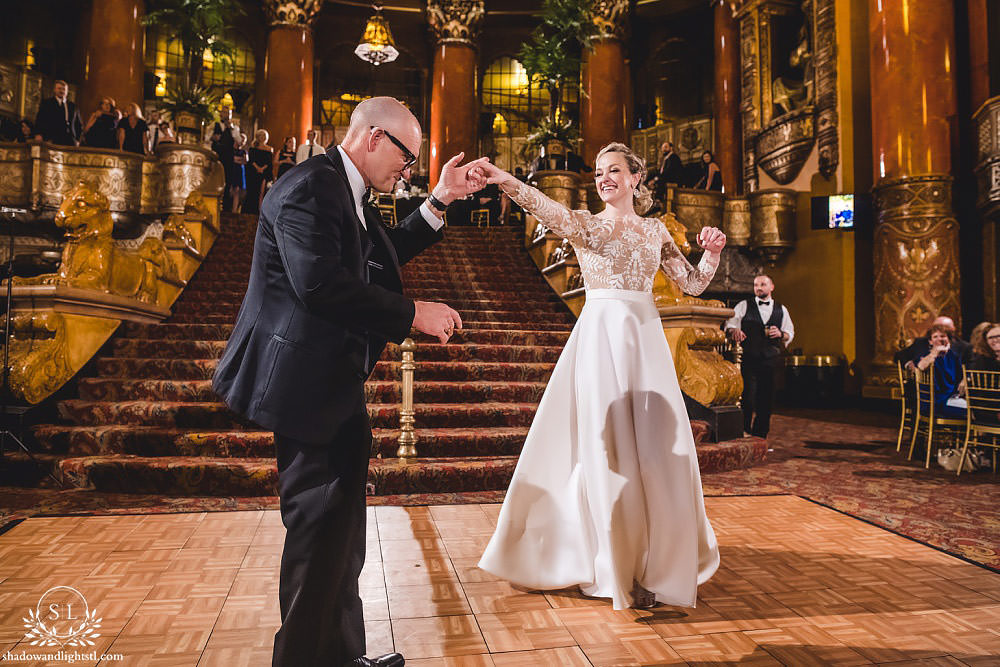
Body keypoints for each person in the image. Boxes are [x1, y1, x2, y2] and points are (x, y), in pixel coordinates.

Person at [212, 96, 488, 667]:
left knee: (342, 539)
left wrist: (439, 200)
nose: (406, 172)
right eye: (407, 159)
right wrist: (412, 313)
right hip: (303, 389)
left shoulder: (346, 189)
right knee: (318, 538)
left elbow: (379, 260)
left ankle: (340, 656)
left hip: (330, 386)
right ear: (372, 138)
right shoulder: (308, 188)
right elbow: (319, 284)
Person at [476, 142, 725, 610]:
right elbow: (545, 207)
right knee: (602, 446)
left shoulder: (656, 231)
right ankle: (611, 563)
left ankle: (656, 562)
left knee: (655, 452)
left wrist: (710, 253)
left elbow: (691, 283)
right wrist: (504, 180)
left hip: (645, 339)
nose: (603, 178)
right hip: (599, 339)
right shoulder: (586, 225)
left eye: (614, 170)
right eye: (597, 172)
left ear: (636, 177)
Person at [725, 275, 795, 438]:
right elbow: (730, 324)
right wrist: (734, 330)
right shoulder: (743, 305)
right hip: (748, 357)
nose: (759, 288)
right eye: (756, 285)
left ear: (772, 287)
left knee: (766, 398)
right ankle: (743, 431)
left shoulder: (781, 309)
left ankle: (761, 434)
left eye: (763, 284)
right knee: (747, 397)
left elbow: (789, 332)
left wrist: (781, 333)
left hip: (770, 359)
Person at [915, 323, 965, 418]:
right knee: (972, 410)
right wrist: (935, 353)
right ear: (930, 341)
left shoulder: (953, 356)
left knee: (976, 407)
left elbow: (961, 375)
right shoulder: (926, 356)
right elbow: (920, 367)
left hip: (951, 398)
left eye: (943, 336)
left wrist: (964, 381)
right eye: (935, 337)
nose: (939, 339)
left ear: (948, 339)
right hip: (934, 402)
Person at [896, 316, 970, 368]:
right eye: (937, 328)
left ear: (952, 330)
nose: (940, 331)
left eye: (945, 329)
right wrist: (909, 364)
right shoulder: (920, 342)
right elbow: (900, 356)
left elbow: (970, 367)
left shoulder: (964, 347)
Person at [34, 80, 83, 145]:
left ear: (67, 91)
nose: (62, 91)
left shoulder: (73, 106)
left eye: (64, 89)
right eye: (59, 88)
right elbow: (40, 120)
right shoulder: (47, 103)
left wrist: (77, 140)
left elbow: (78, 124)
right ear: (54, 90)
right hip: (51, 139)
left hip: (70, 141)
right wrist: (38, 134)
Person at [244, 129, 273, 215]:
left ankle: (260, 211)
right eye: (261, 135)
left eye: (264, 135)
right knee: (252, 190)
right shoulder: (253, 148)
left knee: (262, 192)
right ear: (258, 137)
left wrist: (262, 168)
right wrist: (257, 168)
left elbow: (269, 162)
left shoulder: (269, 149)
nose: (263, 137)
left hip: (264, 172)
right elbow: (251, 160)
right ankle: (250, 210)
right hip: (253, 171)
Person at [230, 133, 248, 213]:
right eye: (241, 139)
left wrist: (237, 160)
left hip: (240, 171)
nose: (242, 142)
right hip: (232, 169)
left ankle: (235, 210)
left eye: (244, 141)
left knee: (238, 190)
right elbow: (231, 159)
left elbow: (245, 161)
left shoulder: (244, 151)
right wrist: (238, 160)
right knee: (231, 189)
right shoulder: (231, 150)